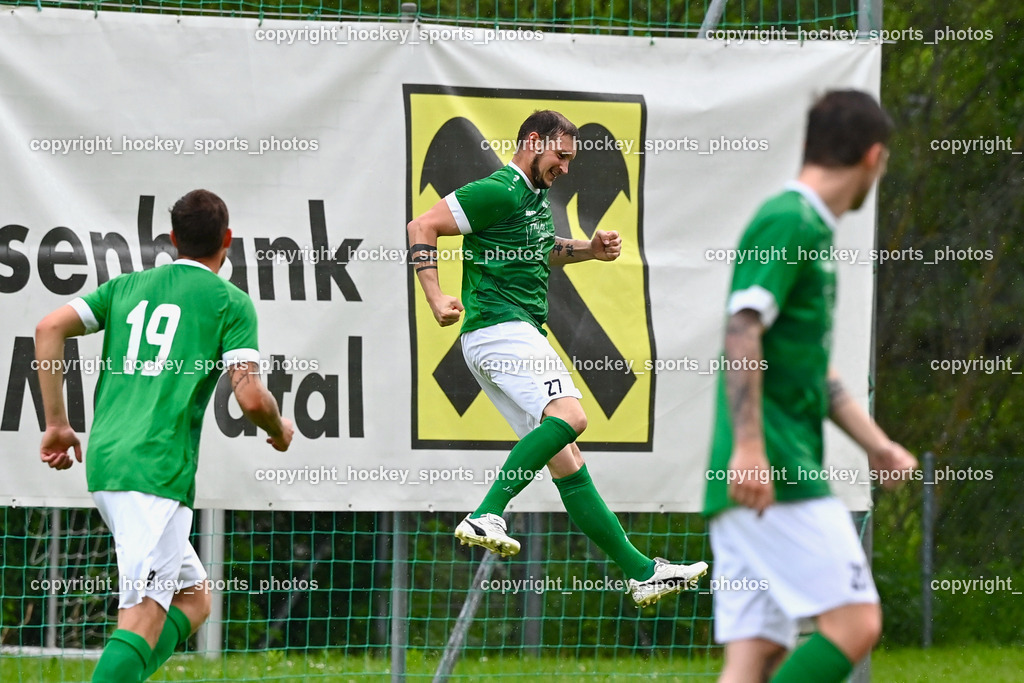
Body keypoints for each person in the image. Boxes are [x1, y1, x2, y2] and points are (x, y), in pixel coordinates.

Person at [408, 110, 706, 607]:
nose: (565, 168)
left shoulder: (532, 198)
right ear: (532, 141)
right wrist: (435, 297)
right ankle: (487, 511)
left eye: (570, 159)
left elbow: (542, 248)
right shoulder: (500, 189)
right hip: (500, 329)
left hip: (502, 335)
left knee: (567, 461)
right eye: (561, 156)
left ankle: (640, 571)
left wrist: (588, 249)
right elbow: (422, 225)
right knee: (571, 415)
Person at [37, 189, 294, 683]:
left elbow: (49, 327)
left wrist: (57, 423)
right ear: (228, 240)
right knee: (143, 614)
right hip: (154, 471)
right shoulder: (229, 302)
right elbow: (253, 399)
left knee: (194, 599)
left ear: (173, 239)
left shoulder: (126, 286)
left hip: (111, 463)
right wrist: (278, 429)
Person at [704, 90, 918, 682]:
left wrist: (876, 444)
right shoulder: (789, 219)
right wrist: (750, 450)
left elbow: (815, 372)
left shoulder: (810, 229)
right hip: (775, 471)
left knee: (755, 658)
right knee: (856, 624)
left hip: (754, 477)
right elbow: (741, 328)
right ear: (874, 157)